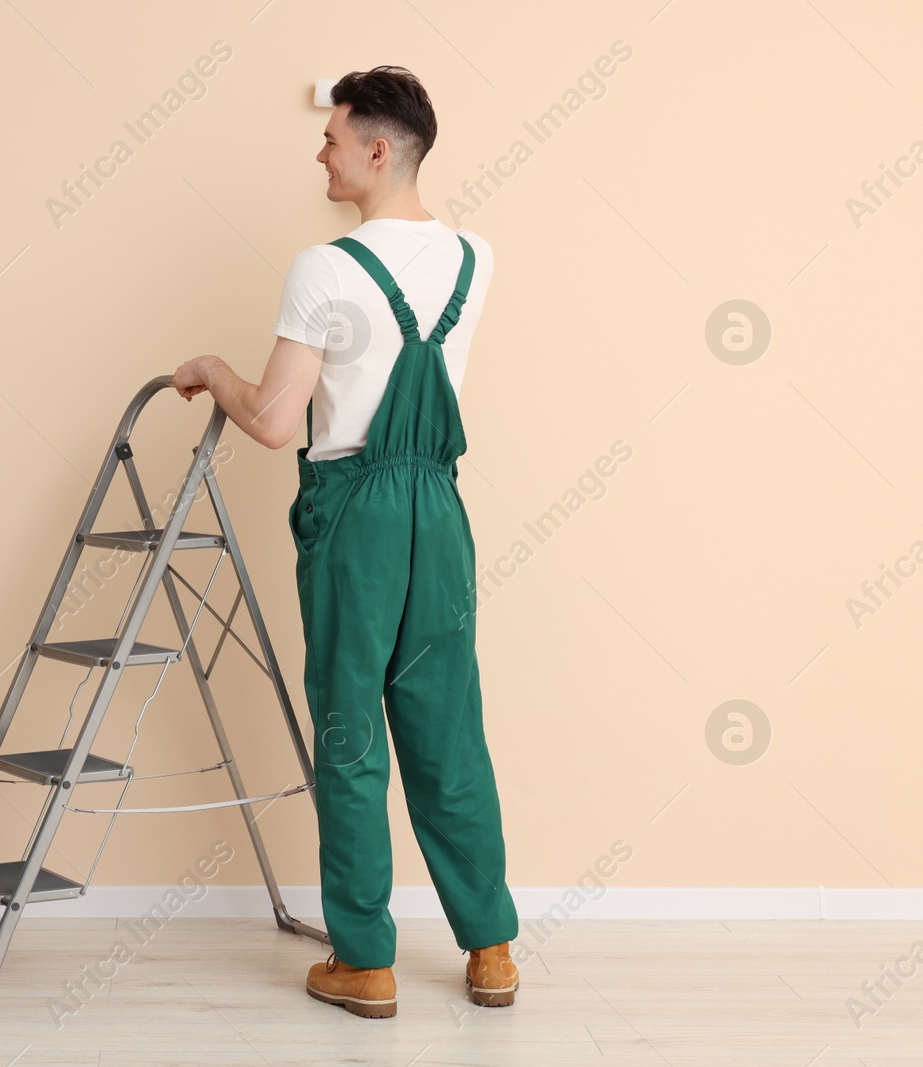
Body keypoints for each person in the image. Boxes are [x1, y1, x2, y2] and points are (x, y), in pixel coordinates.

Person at [172, 66, 519, 1018]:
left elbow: (277, 421)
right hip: (439, 511)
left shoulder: (324, 266)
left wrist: (212, 369)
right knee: (449, 727)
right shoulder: (475, 257)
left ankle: (365, 962)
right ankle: (490, 949)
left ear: (378, 148)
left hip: (354, 507)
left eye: (331, 138)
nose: (317, 152)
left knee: (353, 735)